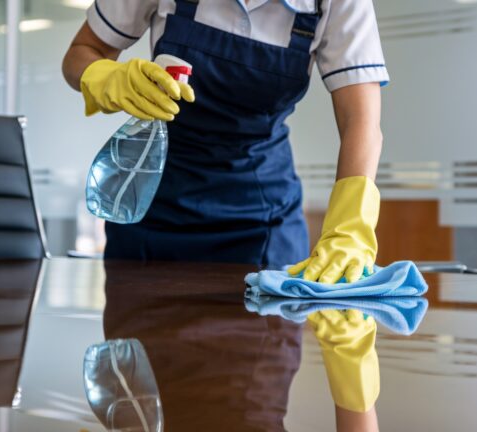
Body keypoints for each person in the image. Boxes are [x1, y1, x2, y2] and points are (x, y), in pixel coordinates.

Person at [62, 0, 389, 284]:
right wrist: (106, 76)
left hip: (261, 219)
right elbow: (80, 54)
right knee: (141, 348)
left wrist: (349, 226)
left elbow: (360, 121)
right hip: (153, 207)